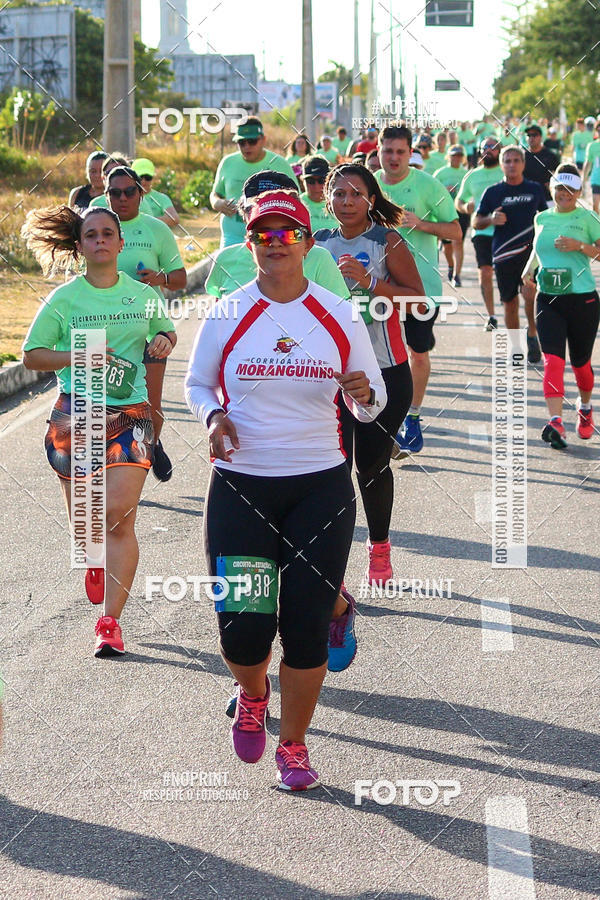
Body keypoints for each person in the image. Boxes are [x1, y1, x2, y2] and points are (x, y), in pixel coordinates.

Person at [185, 190, 386, 791]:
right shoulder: (227, 312)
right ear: (249, 242)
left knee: (302, 626)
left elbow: (373, 402)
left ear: (306, 241)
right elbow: (197, 384)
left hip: (319, 487)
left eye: (288, 233)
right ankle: (252, 692)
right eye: (263, 234)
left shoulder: (337, 312)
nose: (275, 244)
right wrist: (213, 417)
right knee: (243, 629)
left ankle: (294, 745)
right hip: (242, 486)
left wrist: (362, 394)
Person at [21, 205, 175, 656]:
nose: (101, 240)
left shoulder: (143, 295)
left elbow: (165, 334)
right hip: (76, 413)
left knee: (119, 515)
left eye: (109, 233)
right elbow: (32, 355)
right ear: (80, 246)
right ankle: (92, 555)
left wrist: (164, 340)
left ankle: (110, 622)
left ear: (121, 243)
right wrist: (77, 356)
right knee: (86, 527)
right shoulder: (64, 299)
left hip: (130, 413)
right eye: (92, 235)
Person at [315, 164, 425, 583]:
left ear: (371, 199)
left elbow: (418, 301)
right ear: (328, 200)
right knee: (334, 471)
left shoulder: (386, 241)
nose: (347, 202)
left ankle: (379, 548)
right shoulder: (317, 244)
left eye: (356, 194)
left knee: (371, 467)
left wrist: (370, 282)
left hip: (384, 372)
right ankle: (332, 566)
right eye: (339, 194)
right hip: (331, 378)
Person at [375, 124, 461, 454]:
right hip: (377, 286)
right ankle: (381, 418)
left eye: (400, 151)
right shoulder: (369, 185)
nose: (394, 157)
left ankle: (412, 416)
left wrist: (420, 223)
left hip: (421, 288)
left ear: (410, 153)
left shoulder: (428, 185)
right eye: (388, 151)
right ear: (379, 151)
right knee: (377, 354)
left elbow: (455, 231)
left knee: (417, 353)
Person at [104, 165, 187, 479]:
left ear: (141, 193)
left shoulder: (157, 229)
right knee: (109, 405)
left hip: (151, 328)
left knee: (150, 406)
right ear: (106, 195)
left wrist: (159, 278)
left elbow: (180, 279)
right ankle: (122, 466)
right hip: (106, 331)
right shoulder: (98, 228)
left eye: (129, 191)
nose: (123, 198)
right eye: (115, 193)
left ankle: (152, 441)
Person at [521, 165, 600, 448]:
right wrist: (529, 270)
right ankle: (556, 421)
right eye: (559, 189)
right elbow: (537, 248)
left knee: (581, 365)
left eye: (570, 189)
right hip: (548, 298)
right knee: (552, 361)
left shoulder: (588, 218)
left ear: (578, 192)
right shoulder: (542, 217)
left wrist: (580, 246)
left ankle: (586, 407)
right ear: (552, 189)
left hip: (582, 300)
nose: (564, 194)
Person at [206, 170, 348, 300]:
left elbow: (340, 312)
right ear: (244, 213)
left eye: (280, 206)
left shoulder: (320, 258)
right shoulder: (225, 259)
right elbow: (220, 312)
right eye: (257, 207)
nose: (275, 243)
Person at [473, 145, 547, 362]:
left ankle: (532, 333)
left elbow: (547, 216)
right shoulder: (493, 192)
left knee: (530, 295)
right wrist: (491, 219)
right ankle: (515, 344)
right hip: (504, 254)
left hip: (530, 254)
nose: (512, 165)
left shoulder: (535, 189)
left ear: (523, 164)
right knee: (510, 303)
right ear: (501, 165)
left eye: (516, 160)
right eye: (507, 161)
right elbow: (476, 222)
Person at [210, 117, 298, 247]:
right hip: (232, 237)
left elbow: (296, 199)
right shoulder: (227, 162)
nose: (247, 147)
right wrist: (217, 203)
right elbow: (215, 194)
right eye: (241, 142)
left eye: (252, 141)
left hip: (269, 239)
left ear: (263, 140)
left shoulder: (279, 164)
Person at [456, 138, 503, 330]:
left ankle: (510, 306)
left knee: (507, 275)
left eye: (493, 147)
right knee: (485, 272)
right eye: (485, 148)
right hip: (482, 229)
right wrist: (465, 207)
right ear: (480, 151)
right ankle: (491, 316)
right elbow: (459, 200)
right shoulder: (472, 175)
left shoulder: (506, 171)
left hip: (506, 230)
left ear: (500, 151)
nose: (488, 151)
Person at [434, 145, 468, 287]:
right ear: (449, 156)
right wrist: (444, 190)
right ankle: (451, 265)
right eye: (454, 155)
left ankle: (457, 275)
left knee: (458, 241)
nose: (456, 158)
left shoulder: (466, 173)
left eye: (459, 155)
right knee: (447, 245)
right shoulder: (440, 173)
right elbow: (432, 191)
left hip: (460, 211)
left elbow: (469, 192)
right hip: (444, 210)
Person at [132, 158, 180, 228]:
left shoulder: (162, 198)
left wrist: (147, 222)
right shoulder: (126, 197)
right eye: (140, 177)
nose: (144, 181)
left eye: (148, 177)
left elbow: (174, 219)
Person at [300, 156, 338, 230]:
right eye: (310, 181)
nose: (316, 186)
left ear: (329, 181)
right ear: (303, 181)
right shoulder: (297, 204)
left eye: (321, 180)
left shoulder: (338, 203)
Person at [523, 124, 559, 205]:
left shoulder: (550, 155)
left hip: (547, 198)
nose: (531, 138)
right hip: (527, 198)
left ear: (541, 137)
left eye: (534, 135)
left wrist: (552, 184)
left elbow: (558, 174)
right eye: (528, 135)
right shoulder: (522, 156)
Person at [583, 124, 600, 214]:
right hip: (596, 179)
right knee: (595, 205)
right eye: (599, 130)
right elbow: (588, 163)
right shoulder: (592, 145)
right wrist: (584, 178)